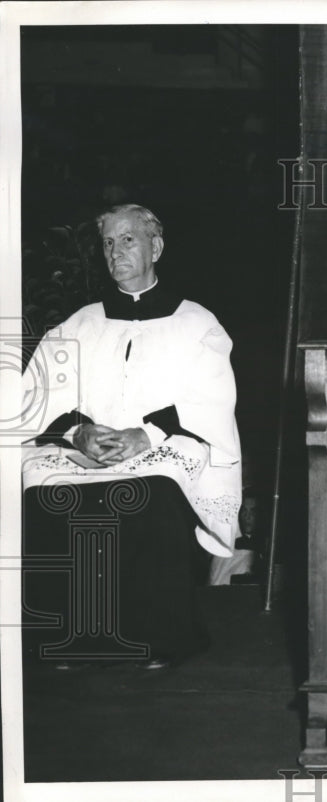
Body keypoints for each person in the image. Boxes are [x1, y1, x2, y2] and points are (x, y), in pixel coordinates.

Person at [22, 203, 242, 670]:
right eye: (107, 242)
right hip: (88, 447)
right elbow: (38, 397)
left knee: (153, 491)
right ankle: (66, 637)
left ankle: (160, 637)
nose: (115, 251)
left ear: (155, 247)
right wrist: (78, 431)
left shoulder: (196, 324)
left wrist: (145, 435)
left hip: (163, 445)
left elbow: (210, 399)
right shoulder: (79, 324)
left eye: (128, 239)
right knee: (41, 489)